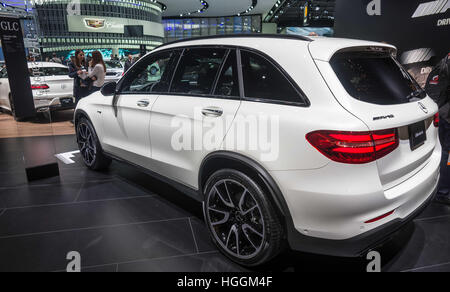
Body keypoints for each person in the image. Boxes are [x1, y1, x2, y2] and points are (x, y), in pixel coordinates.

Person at [425, 53, 450, 205]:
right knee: (447, 155)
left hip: (439, 113)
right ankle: (442, 191)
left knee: (442, 153)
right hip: (446, 116)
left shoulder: (441, 64)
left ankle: (440, 188)